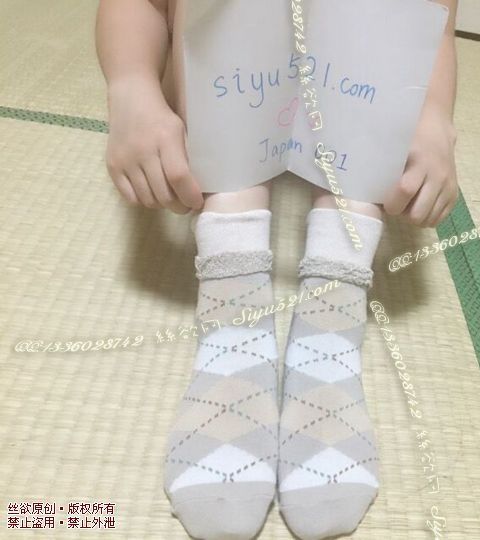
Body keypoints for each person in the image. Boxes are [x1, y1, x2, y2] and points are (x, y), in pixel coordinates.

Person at [95, 1, 458, 538]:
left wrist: (430, 114)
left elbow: (431, 17)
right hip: (216, 71)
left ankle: (334, 297)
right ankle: (233, 274)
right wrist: (131, 89)